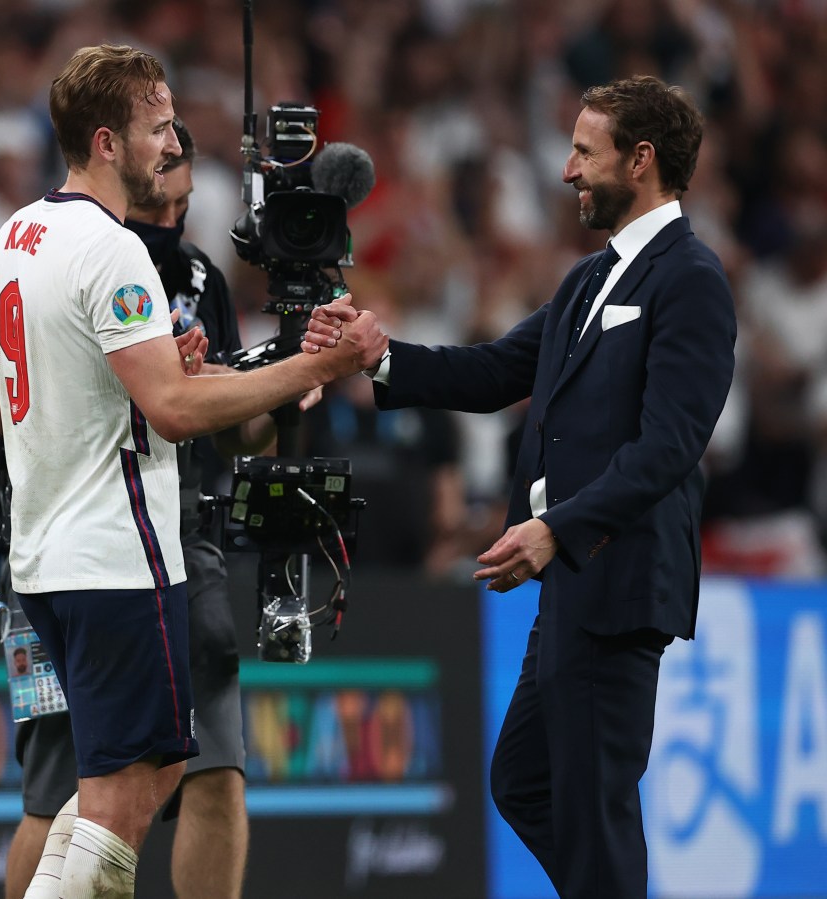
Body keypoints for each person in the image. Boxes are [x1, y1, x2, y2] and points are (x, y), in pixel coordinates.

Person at [305, 75, 736, 898]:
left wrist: (559, 528)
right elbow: (498, 368)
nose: (568, 170)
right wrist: (380, 355)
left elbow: (671, 446)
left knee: (593, 804)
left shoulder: (690, 278)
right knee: (527, 782)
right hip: (568, 580)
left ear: (640, 160)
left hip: (613, 576)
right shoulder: (589, 280)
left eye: (584, 151)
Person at [0, 44, 383, 899]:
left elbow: (5, 401)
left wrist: (159, 372)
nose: (172, 145)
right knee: (124, 797)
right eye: (156, 129)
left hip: (44, 558)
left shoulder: (10, 240)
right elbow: (170, 412)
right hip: (119, 557)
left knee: (131, 780)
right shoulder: (116, 249)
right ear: (105, 142)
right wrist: (320, 366)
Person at [2, 116, 297, 899]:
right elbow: (168, 406)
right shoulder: (89, 254)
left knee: (211, 768)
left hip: (176, 536)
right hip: (91, 537)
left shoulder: (197, 277)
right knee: (59, 791)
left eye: (185, 204)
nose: (174, 220)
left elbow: (237, 433)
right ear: (124, 173)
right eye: (162, 200)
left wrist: (283, 387)